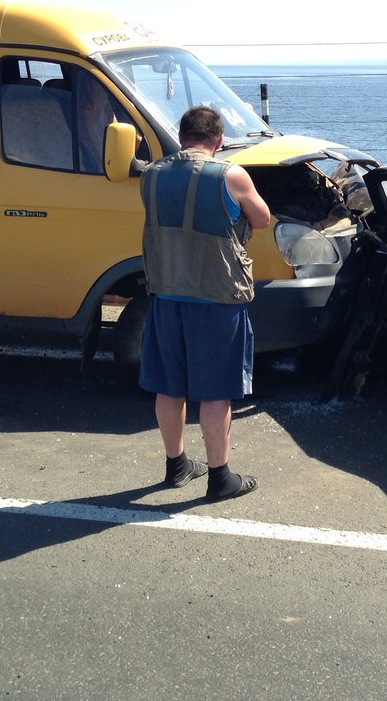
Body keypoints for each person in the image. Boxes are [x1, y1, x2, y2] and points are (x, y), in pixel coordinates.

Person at [138, 106, 271, 501]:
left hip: (166, 293)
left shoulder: (151, 175)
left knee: (169, 384)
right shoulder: (230, 175)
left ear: (181, 137)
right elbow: (261, 219)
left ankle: (176, 464)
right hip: (215, 298)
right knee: (215, 391)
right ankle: (220, 477)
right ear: (218, 140)